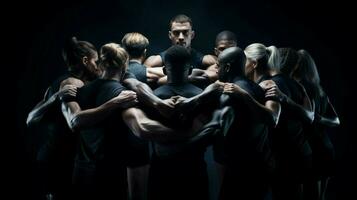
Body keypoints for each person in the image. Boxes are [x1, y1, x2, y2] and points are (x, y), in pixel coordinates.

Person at [26, 37, 101, 200]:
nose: (98, 66)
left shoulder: (73, 82)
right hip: (57, 158)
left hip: (60, 157)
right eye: (96, 61)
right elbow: (30, 119)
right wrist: (56, 97)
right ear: (85, 61)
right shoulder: (71, 83)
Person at [245, 43, 314, 200]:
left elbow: (271, 119)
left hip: (284, 156)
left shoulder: (269, 84)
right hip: (301, 151)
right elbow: (310, 116)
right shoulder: (297, 85)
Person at [216, 47, 280, 200]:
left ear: (227, 67)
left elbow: (270, 119)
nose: (216, 69)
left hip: (244, 169)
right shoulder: (256, 87)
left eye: (219, 65)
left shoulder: (235, 92)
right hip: (255, 166)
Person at [281, 48, 340, 200]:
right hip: (324, 147)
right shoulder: (318, 91)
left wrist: (315, 118)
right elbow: (335, 120)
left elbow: (316, 118)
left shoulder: (300, 89)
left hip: (313, 149)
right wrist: (319, 118)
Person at [144, 14, 216, 87]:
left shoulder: (207, 60)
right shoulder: (155, 61)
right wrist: (190, 76)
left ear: (192, 35)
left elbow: (219, 73)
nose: (181, 37)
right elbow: (142, 75)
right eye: (176, 33)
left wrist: (166, 78)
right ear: (170, 35)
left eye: (185, 32)